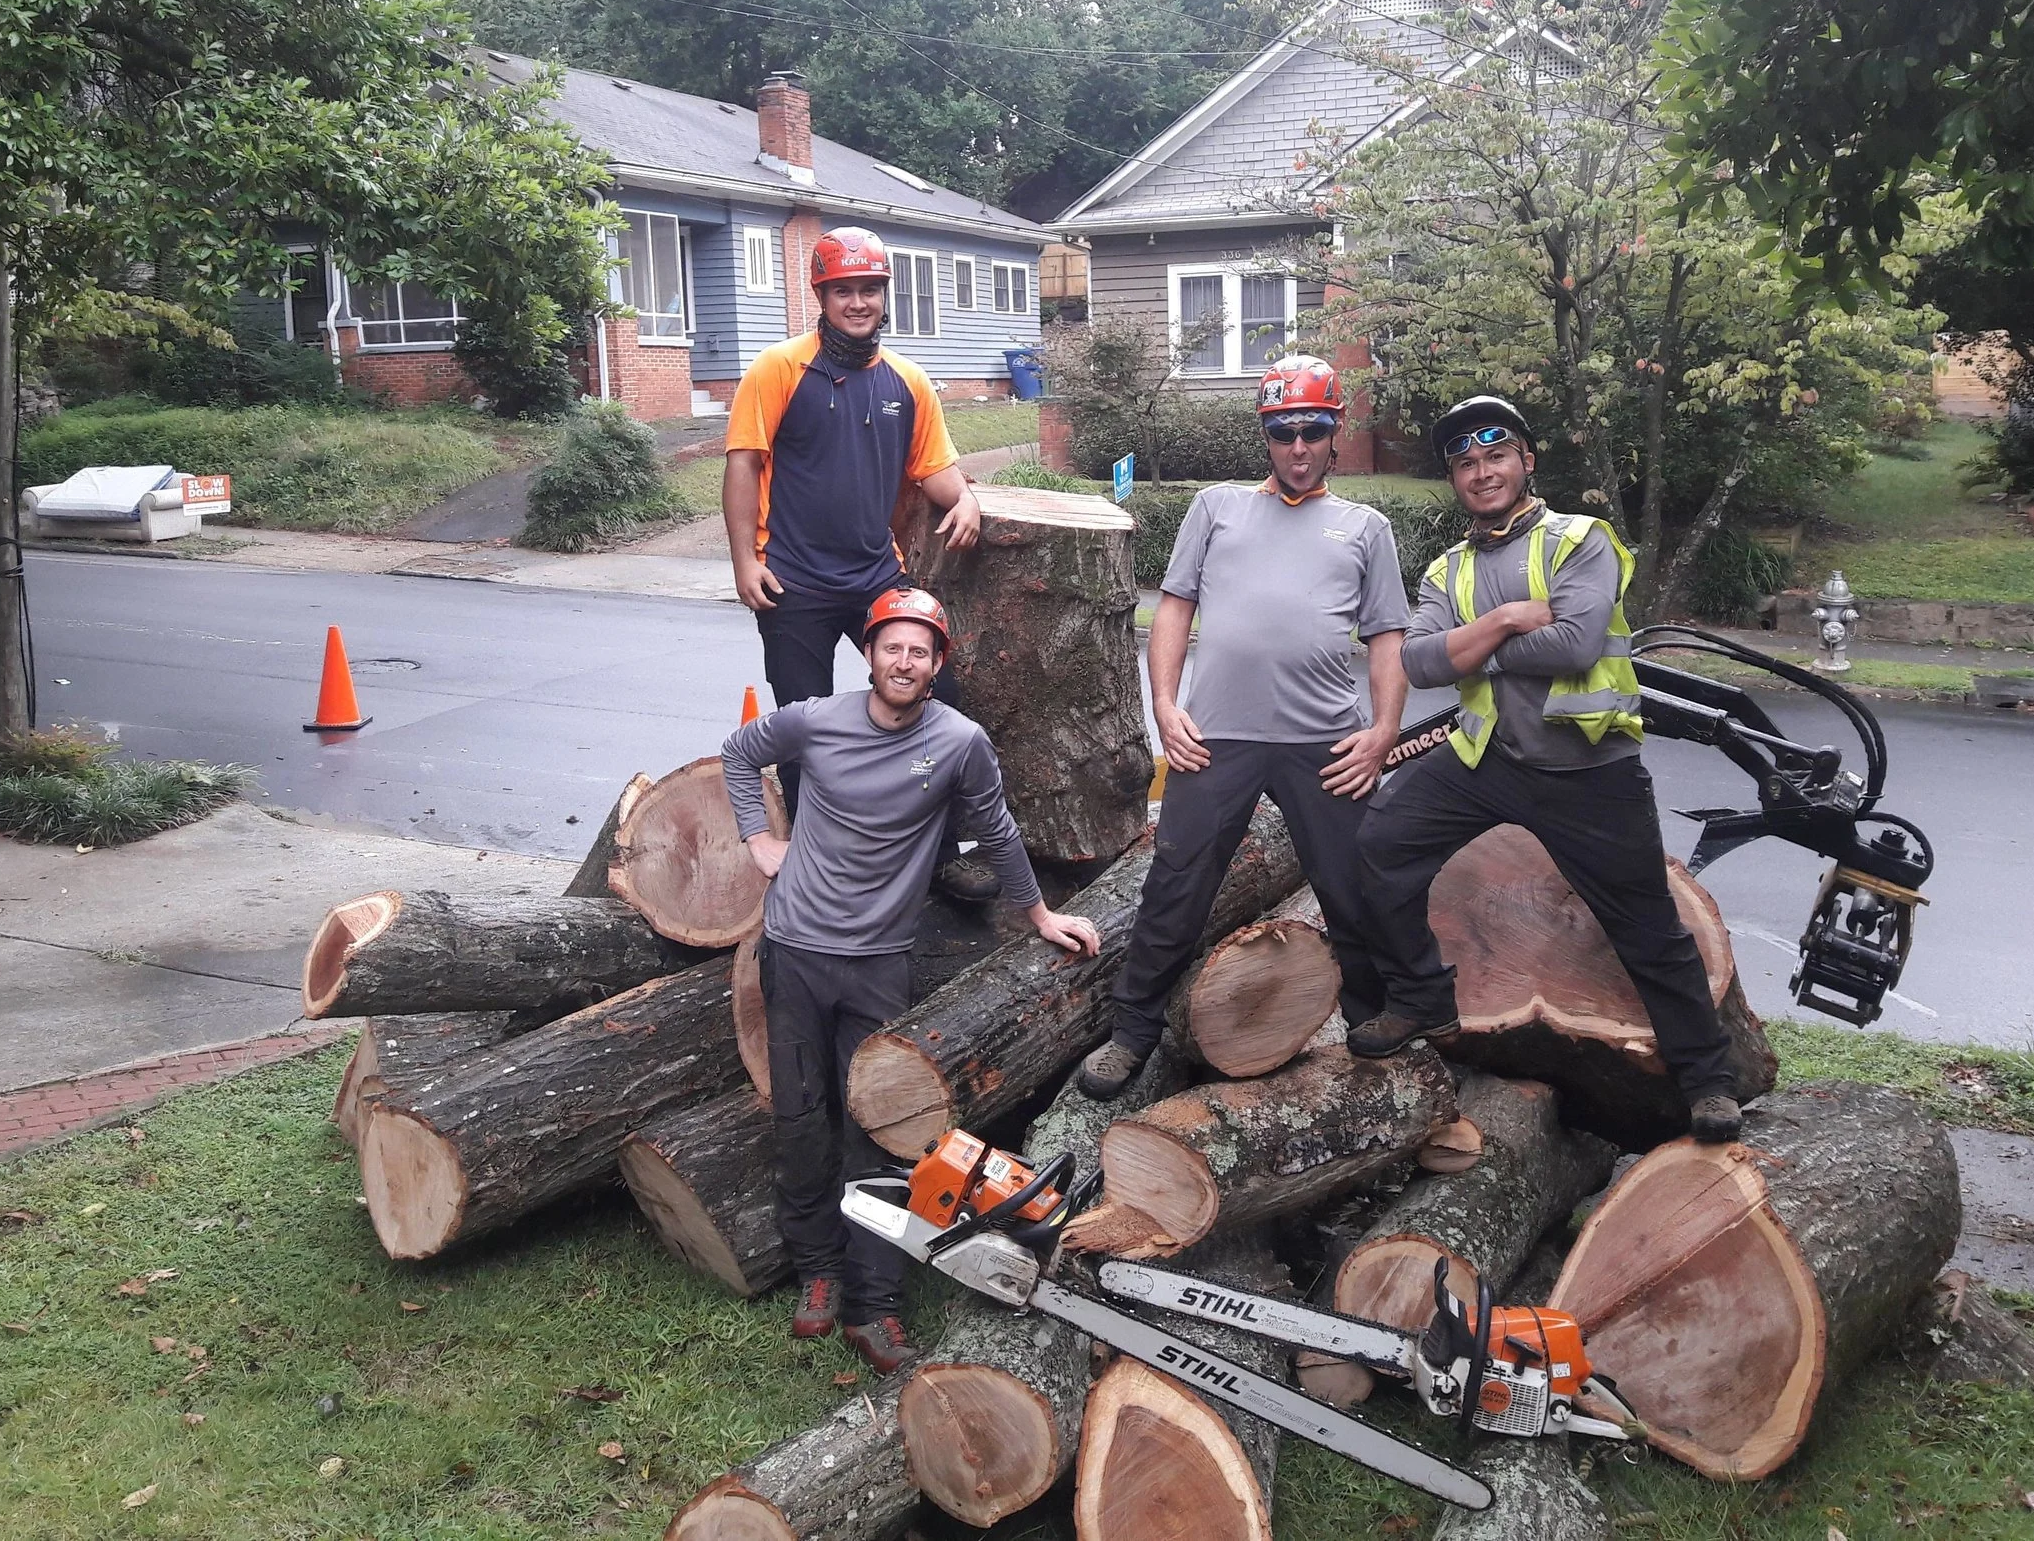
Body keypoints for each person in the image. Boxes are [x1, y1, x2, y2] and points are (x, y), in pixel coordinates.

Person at [1342, 394, 1744, 1142]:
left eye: (1496, 455)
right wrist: (1500, 621)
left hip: (1589, 767)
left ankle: (1708, 1081)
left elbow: (1576, 645)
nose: (1482, 471)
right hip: (1486, 757)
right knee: (1382, 844)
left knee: (1647, 924)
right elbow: (1418, 661)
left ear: (1527, 459)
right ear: (1455, 478)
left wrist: (1472, 645)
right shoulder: (1450, 568)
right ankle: (1422, 997)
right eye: (1465, 462)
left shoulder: (1579, 541)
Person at [721, 586, 1100, 1373]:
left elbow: (995, 829)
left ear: (936, 664)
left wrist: (1038, 918)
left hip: (877, 966)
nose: (904, 660)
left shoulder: (959, 741)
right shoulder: (817, 719)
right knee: (800, 1119)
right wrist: (759, 839)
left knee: (878, 1132)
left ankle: (876, 1304)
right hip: (793, 949)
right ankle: (818, 1276)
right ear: (870, 653)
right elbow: (739, 751)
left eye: (919, 650)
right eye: (891, 645)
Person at [1075, 355, 1409, 1100]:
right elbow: (1173, 607)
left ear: (1334, 433)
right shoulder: (1214, 507)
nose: (1298, 447)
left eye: (1313, 431)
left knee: (1353, 888)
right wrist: (1165, 705)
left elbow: (1388, 636)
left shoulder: (1365, 527)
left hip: (1326, 741)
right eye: (1284, 431)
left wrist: (1384, 728)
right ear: (1266, 433)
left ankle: (1371, 1023)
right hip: (1215, 735)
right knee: (1176, 884)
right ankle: (1132, 1030)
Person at [724, 225, 994, 900]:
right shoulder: (778, 369)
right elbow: (742, 465)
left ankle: (935, 859)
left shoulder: (907, 380)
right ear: (822, 294)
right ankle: (811, 862)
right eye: (844, 289)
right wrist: (742, 563)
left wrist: (969, 502)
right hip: (793, 579)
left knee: (939, 701)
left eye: (869, 288)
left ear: (884, 294)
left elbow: (937, 470)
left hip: (878, 575)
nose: (858, 302)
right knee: (801, 724)